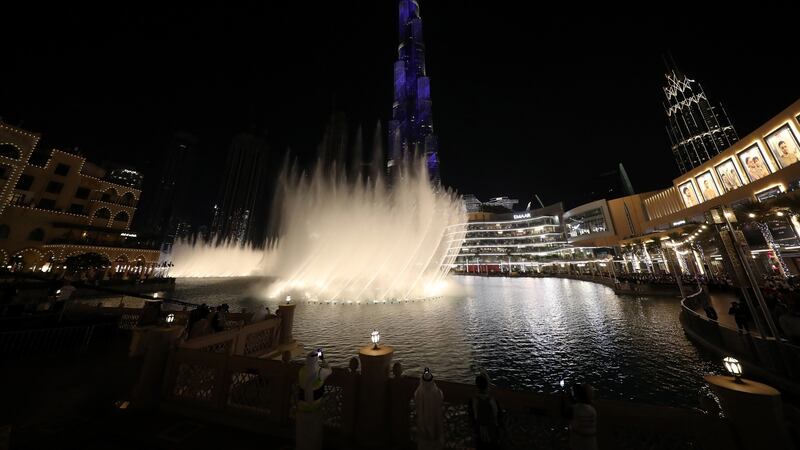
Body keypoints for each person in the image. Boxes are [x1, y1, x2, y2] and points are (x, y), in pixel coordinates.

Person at [296, 350, 332, 450]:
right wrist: (323, 360)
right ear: (316, 360)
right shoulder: (320, 372)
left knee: (302, 440)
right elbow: (330, 370)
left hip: (301, 408)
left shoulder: (302, 371)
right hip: (315, 409)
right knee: (314, 439)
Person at [469, 370, 502, 449]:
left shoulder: (474, 400)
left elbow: (475, 416)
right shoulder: (491, 400)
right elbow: (496, 414)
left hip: (480, 429)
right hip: (491, 428)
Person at [414, 368, 444, 450]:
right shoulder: (437, 392)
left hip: (423, 420)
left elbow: (416, 400)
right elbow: (441, 398)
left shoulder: (419, 392)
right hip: (434, 420)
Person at [565, 383, 597, 450]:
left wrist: (564, 398)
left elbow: (565, 414)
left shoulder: (575, 409)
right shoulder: (593, 409)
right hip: (592, 444)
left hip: (578, 444)